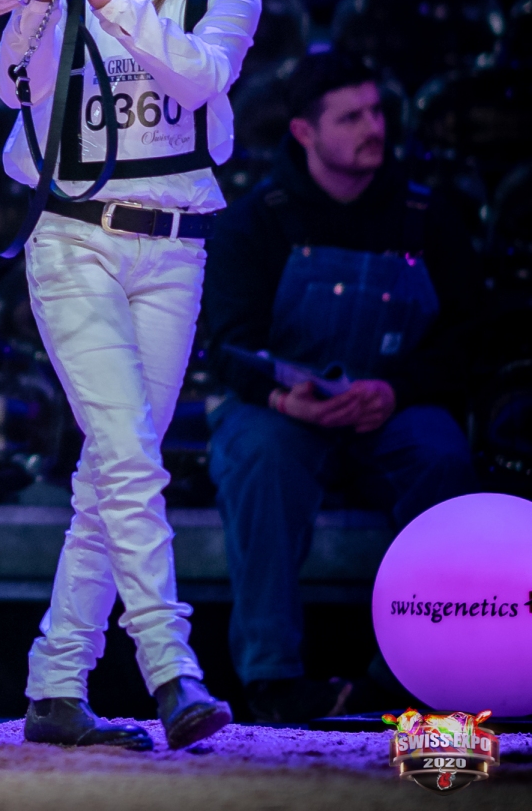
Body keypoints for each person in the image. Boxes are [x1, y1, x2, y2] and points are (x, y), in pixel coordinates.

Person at [0, 0, 258, 751]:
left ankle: (56, 686)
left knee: (108, 475)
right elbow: (11, 88)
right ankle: (172, 671)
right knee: (130, 459)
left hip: (175, 250)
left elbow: (198, 79)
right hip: (74, 242)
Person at [200, 50, 480, 723]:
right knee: (259, 456)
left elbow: (471, 337)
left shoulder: (427, 216)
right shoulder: (253, 222)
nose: (373, 128)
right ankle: (272, 681)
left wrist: (396, 390)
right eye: (351, 118)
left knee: (444, 458)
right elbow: (226, 344)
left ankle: (413, 674)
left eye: (376, 112)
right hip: (284, 412)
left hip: (394, 406)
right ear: (304, 132)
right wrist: (282, 397)